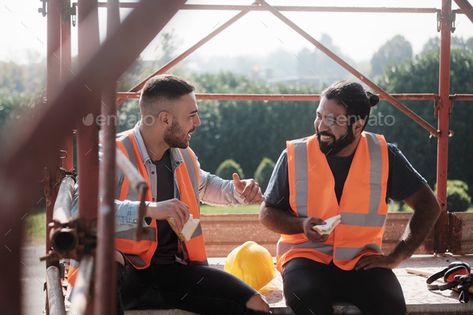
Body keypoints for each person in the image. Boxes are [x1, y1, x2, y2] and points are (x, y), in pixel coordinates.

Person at [70, 74, 270, 315]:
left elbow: (204, 184)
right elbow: (81, 208)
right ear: (165, 118)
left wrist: (237, 192)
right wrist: (149, 209)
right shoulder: (112, 154)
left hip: (173, 275)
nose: (198, 122)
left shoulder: (183, 156)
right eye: (192, 115)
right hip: (124, 278)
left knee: (256, 305)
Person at [259, 80, 441, 315]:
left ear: (357, 125)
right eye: (319, 116)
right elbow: (267, 213)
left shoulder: (384, 154)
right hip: (305, 257)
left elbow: (429, 206)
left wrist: (396, 257)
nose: (321, 126)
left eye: (333, 120)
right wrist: (300, 225)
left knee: (391, 305)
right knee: (307, 301)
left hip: (362, 260)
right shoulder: (295, 154)